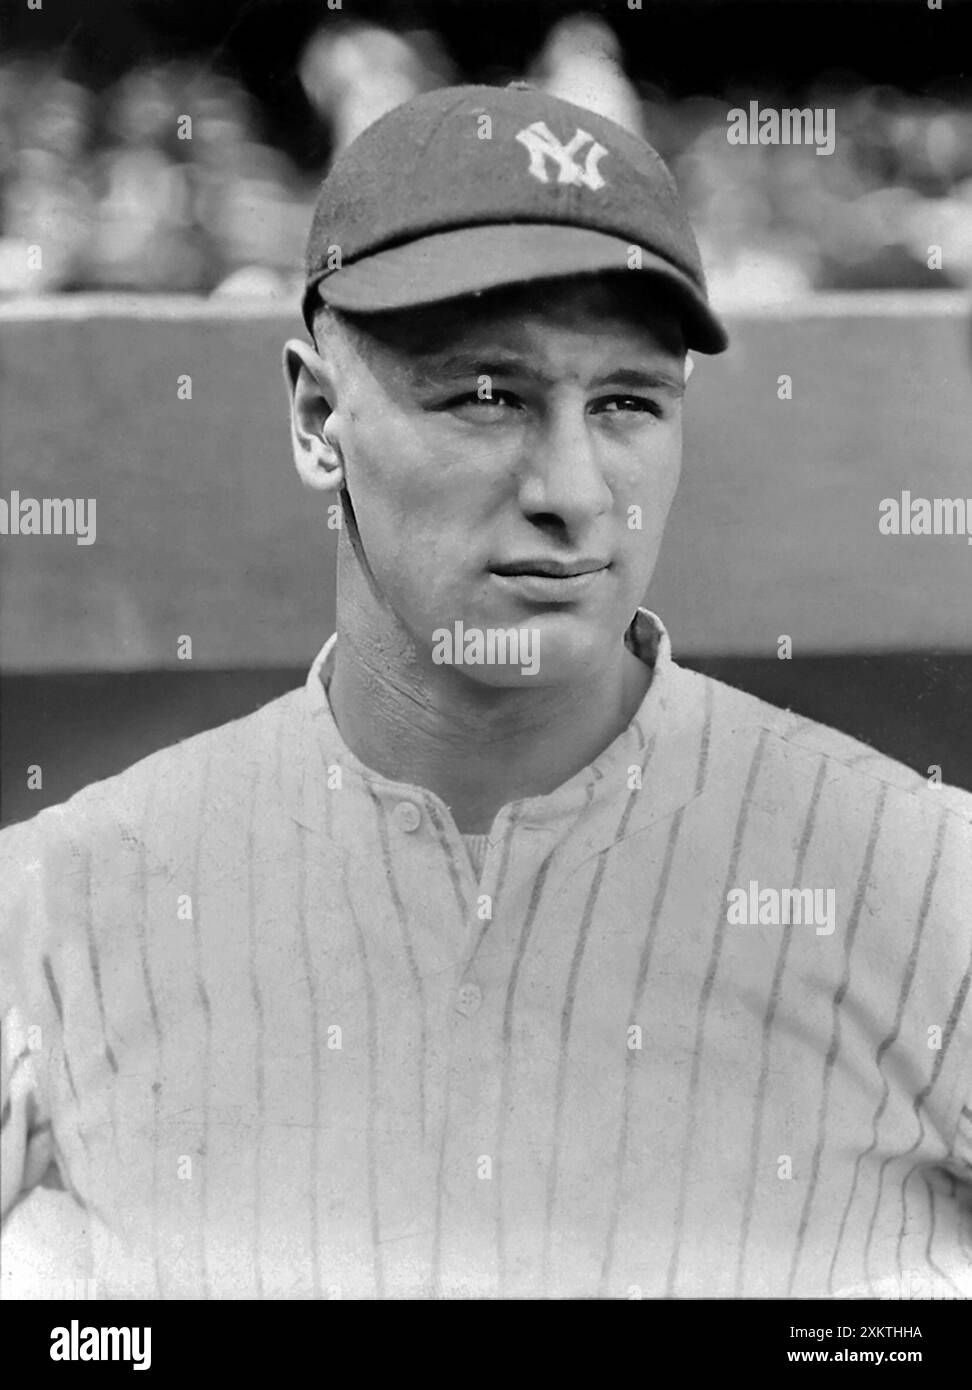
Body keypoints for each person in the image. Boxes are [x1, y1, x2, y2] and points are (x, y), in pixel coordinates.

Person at [1, 84, 970, 1301]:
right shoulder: (63, 905)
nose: (573, 488)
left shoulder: (930, 883)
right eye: (486, 395)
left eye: (626, 401)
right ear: (317, 418)